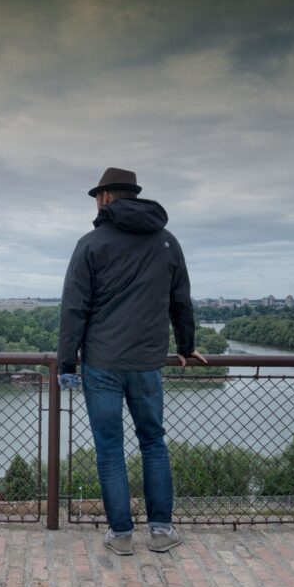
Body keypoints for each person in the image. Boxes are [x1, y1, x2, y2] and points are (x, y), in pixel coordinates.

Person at [57, 167, 206, 556]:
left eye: (97, 196)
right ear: (133, 195)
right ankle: (160, 531)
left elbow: (74, 309)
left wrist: (67, 364)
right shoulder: (167, 242)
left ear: (106, 197)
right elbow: (181, 302)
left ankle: (121, 535)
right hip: (147, 363)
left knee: (109, 449)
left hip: (102, 363)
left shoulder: (91, 243)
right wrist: (187, 347)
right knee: (153, 443)